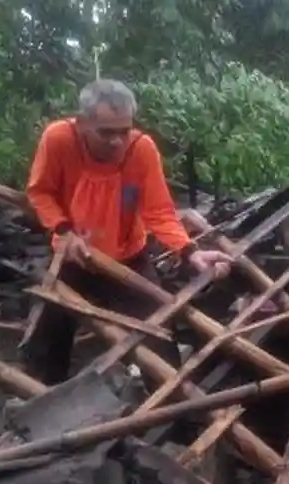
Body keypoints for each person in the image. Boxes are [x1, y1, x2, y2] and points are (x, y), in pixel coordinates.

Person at [22, 78, 232, 385]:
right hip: (72, 258)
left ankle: (172, 412)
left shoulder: (140, 149)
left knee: (158, 338)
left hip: (128, 260)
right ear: (82, 123)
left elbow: (159, 211)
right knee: (46, 341)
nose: (117, 141)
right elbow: (40, 192)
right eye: (106, 132)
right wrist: (65, 231)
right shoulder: (59, 139)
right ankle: (38, 404)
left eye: (124, 131)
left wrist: (190, 252)